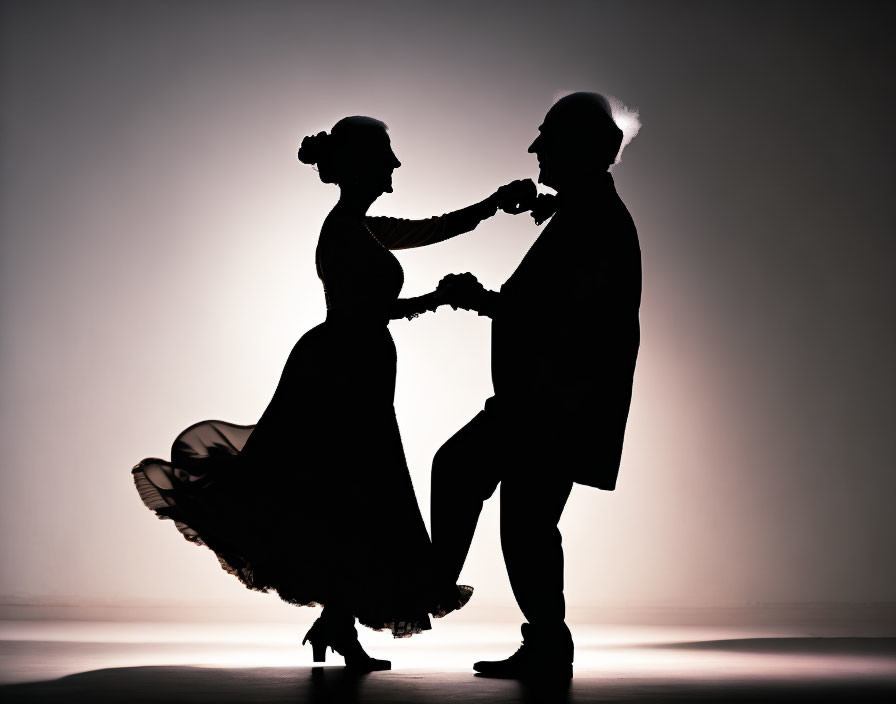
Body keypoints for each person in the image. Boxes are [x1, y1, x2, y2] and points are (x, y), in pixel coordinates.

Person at [132, 115, 529, 672]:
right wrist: (436, 299)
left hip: (356, 367)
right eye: (387, 154)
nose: (395, 165)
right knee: (350, 489)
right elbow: (364, 311)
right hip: (340, 367)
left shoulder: (362, 227)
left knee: (348, 494)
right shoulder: (344, 229)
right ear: (365, 165)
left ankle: (336, 623)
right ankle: (336, 624)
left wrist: (492, 205)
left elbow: (434, 228)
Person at [432, 92, 642, 679]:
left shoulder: (593, 220)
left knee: (472, 481)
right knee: (523, 521)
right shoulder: (591, 212)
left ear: (575, 147)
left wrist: (481, 301)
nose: (533, 149)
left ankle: (432, 589)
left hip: (550, 404)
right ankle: (543, 639)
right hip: (554, 402)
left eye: (546, 136)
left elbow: (560, 317)